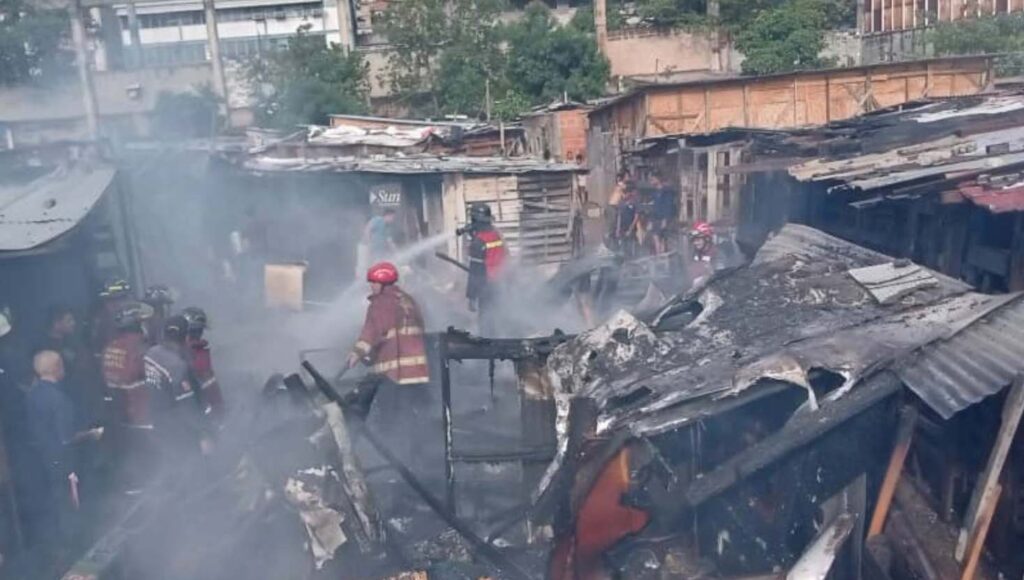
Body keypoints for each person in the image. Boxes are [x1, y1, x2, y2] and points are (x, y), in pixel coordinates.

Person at [345, 262, 430, 468]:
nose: (371, 287)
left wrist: (356, 354)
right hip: (417, 372)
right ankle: (415, 460)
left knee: (381, 415)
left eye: (373, 283)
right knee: (411, 418)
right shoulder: (408, 301)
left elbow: (372, 332)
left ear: (382, 283)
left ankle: (388, 462)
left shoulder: (380, 303)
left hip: (394, 373)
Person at [24, 350, 100, 577]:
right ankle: (72, 560)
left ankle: (57, 554)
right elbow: (66, 438)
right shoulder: (59, 399)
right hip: (64, 464)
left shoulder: (32, 395)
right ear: (57, 368)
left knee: (53, 508)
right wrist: (93, 434)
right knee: (69, 510)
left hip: (44, 461)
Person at [144, 316, 210, 475]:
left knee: (169, 470)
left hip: (157, 424)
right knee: (188, 473)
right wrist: (204, 435)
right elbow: (187, 407)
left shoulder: (151, 354)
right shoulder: (176, 367)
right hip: (178, 431)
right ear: (186, 338)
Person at [101, 303, 153, 493]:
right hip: (142, 415)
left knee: (132, 465)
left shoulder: (110, 348)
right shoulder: (138, 348)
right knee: (150, 465)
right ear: (137, 325)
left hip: (120, 416)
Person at [458, 203, 508, 336]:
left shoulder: (478, 243)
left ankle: (488, 346)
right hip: (501, 282)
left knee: (486, 319)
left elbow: (476, 272)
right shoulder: (496, 234)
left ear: (475, 220)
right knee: (498, 316)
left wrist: (471, 297)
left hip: (486, 284)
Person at [181, 307, 225, 424]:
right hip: (202, 417)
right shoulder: (193, 354)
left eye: (199, 331)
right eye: (195, 331)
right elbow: (209, 388)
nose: (198, 335)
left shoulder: (199, 351)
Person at [92, 279, 133, 353]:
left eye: (121, 299)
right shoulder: (101, 324)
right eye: (110, 301)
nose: (116, 305)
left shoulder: (139, 318)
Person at [649, 174, 678, 255]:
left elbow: (668, 206)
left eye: (653, 179)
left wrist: (665, 220)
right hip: (656, 218)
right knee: (655, 236)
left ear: (658, 179)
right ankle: (659, 255)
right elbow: (654, 207)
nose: (651, 181)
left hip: (664, 218)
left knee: (663, 238)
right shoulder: (655, 192)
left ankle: (662, 255)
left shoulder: (667, 192)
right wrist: (651, 221)